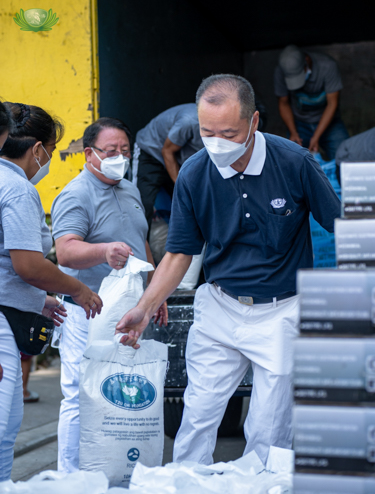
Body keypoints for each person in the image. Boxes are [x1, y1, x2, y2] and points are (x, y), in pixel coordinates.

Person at [115, 74, 341, 466]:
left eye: (229, 132)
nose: (217, 142)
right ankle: (187, 485)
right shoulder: (193, 173)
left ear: (254, 122)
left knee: (270, 428)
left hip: (282, 311)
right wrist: (145, 307)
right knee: (198, 415)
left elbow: (344, 226)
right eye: (207, 132)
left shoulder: (294, 162)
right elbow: (179, 253)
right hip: (220, 307)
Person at [51, 117, 168, 473]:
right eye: (111, 151)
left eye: (125, 151)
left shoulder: (129, 188)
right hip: (87, 310)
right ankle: (72, 477)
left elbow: (141, 243)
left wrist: (154, 292)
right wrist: (102, 252)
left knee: (122, 392)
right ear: (89, 153)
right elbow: (66, 251)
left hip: (130, 310)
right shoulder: (76, 194)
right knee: (79, 393)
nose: (120, 157)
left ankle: (115, 469)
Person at [0, 102, 102, 481]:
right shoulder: (17, 188)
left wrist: (34, 298)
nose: (51, 160)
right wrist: (77, 290)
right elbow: (27, 263)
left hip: (9, 310)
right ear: (38, 149)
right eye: (53, 150)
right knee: (3, 425)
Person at [133, 104, 204, 233]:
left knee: (190, 202)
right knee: (142, 205)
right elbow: (167, 151)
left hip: (181, 159)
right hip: (152, 151)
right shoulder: (190, 121)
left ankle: (187, 249)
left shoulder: (227, 128)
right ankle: (138, 251)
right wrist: (181, 185)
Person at [274, 45, 349, 160]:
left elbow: (332, 104)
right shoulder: (281, 71)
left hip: (330, 122)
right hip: (299, 123)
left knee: (345, 157)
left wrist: (316, 137)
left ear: (307, 60)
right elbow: (283, 103)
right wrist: (293, 132)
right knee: (292, 160)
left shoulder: (327, 66)